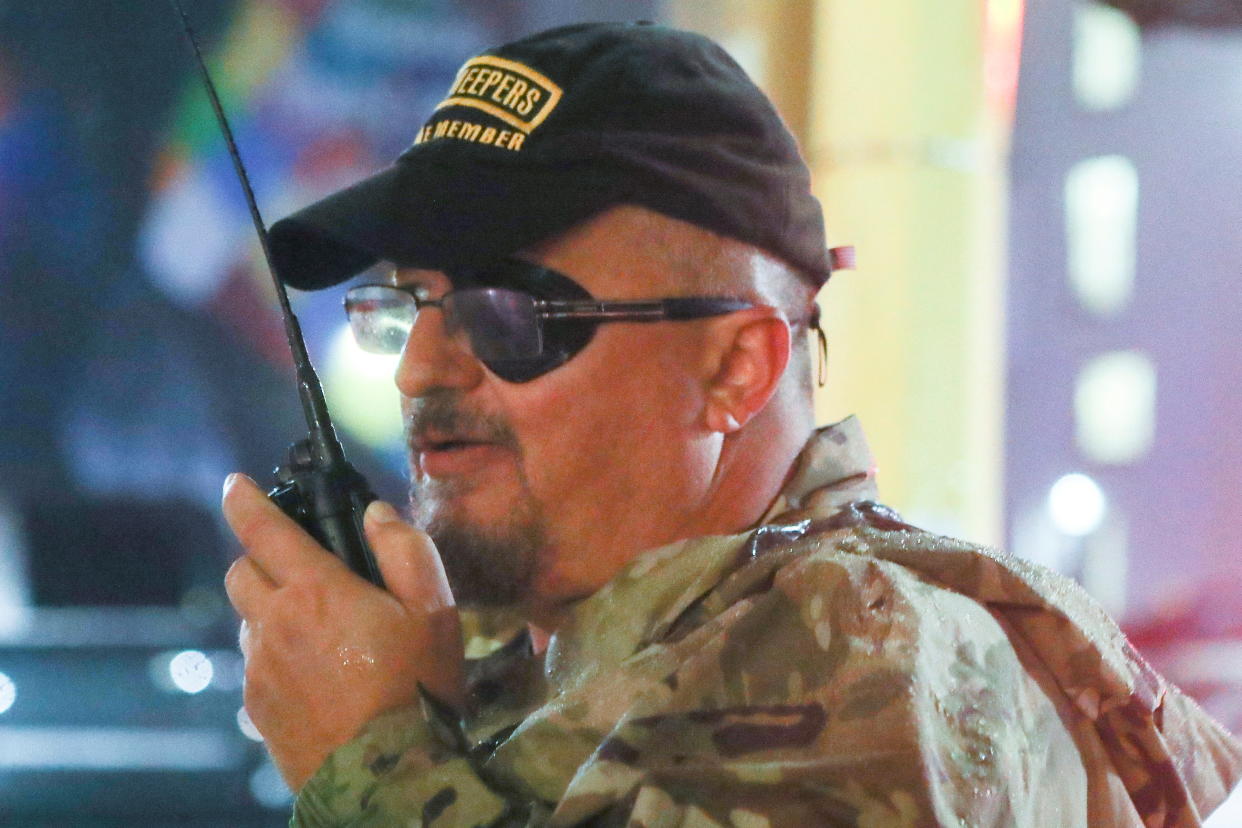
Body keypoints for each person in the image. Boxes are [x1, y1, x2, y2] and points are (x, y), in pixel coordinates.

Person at [220, 22, 1242, 826]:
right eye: (406, 305)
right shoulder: (560, 664)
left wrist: (376, 764)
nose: (419, 368)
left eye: (507, 314)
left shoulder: (864, 670)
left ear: (734, 367)